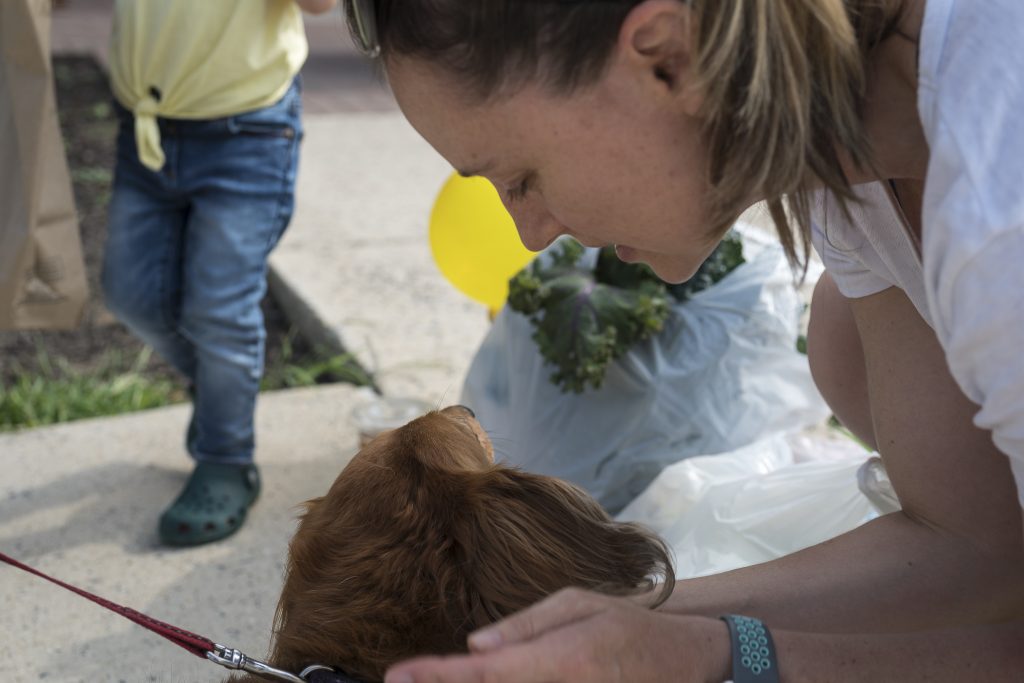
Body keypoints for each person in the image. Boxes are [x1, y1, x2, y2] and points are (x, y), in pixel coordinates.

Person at [338, 1, 1024, 681]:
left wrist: (730, 655)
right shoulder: (849, 161)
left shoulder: (999, 229)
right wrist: (628, 624)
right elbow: (975, 543)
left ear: (667, 58)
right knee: (840, 328)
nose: (531, 233)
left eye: (521, 179)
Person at [102, 0, 337, 547]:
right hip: (146, 126)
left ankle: (226, 458)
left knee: (219, 310)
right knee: (127, 293)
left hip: (245, 131)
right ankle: (218, 400)